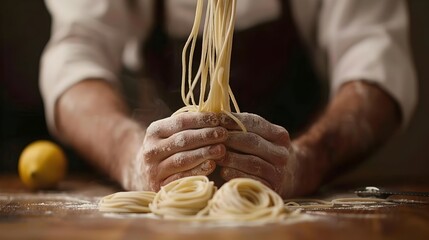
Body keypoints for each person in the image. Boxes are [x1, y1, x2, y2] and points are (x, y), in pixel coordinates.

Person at [39, 0, 417, 198]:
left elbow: (375, 58)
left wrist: (309, 160)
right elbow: (74, 57)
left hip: (301, 194)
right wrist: (127, 154)